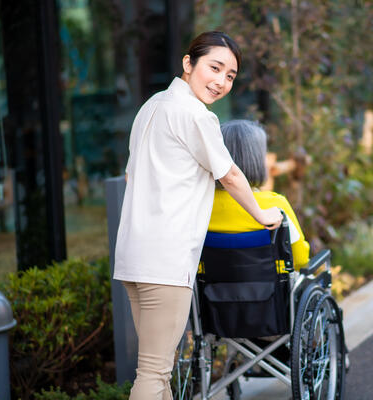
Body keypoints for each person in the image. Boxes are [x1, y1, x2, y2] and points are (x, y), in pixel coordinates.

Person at [113, 32, 282, 400]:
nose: (221, 81)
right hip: (165, 261)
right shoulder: (195, 115)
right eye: (215, 68)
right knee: (154, 374)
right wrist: (261, 214)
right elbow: (232, 175)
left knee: (158, 372)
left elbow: (131, 176)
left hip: (132, 257)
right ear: (188, 64)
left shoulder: (151, 107)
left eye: (231, 75)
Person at [208, 119, 310, 269]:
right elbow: (301, 259)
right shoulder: (275, 205)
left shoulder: (204, 204)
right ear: (257, 161)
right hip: (269, 290)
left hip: (213, 290)